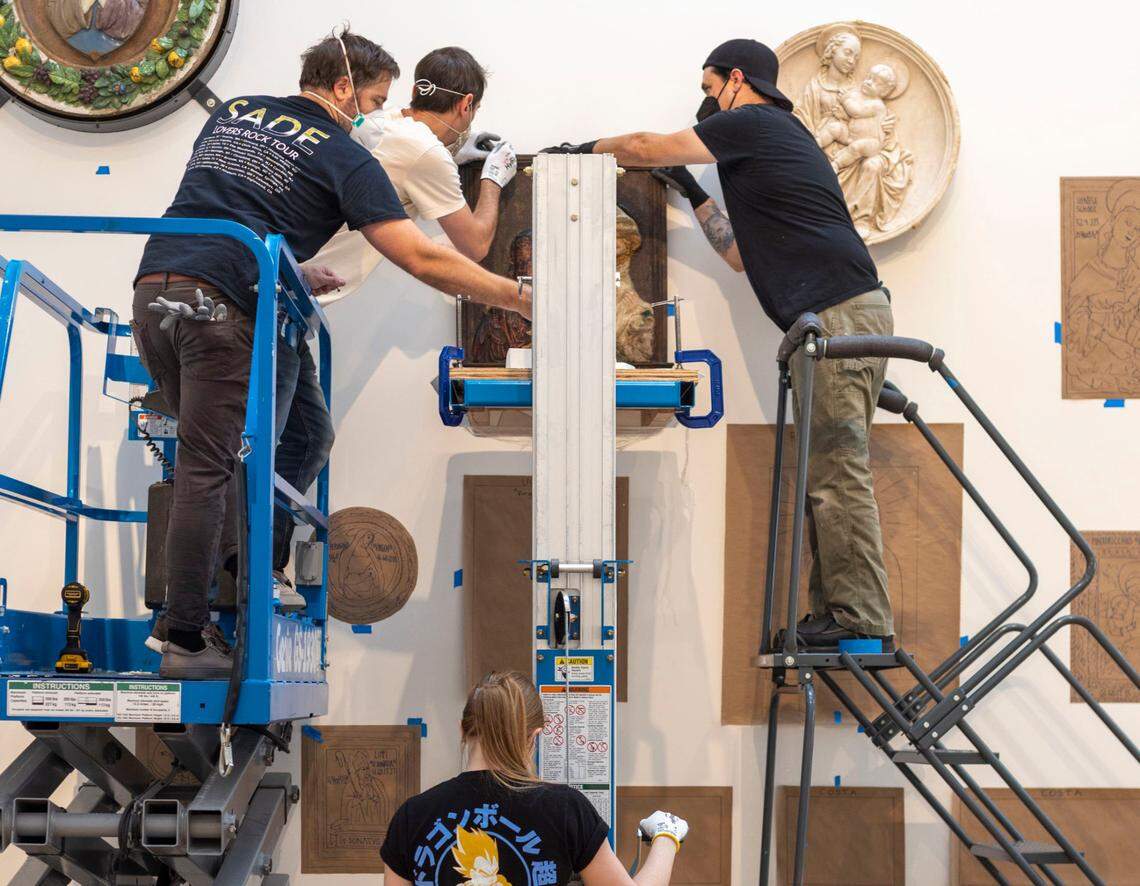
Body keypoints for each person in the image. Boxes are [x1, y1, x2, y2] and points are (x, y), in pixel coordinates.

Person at [133, 29, 531, 679]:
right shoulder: (348, 156)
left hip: (156, 290)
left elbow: (242, 201)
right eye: (373, 99)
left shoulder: (236, 111)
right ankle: (186, 634)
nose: (374, 115)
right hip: (223, 308)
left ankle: (208, 597)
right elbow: (427, 255)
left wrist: (293, 266)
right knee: (214, 466)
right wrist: (518, 299)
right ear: (344, 88)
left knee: (257, 450)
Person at [544, 38, 895, 649]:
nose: (709, 105)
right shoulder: (768, 152)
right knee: (826, 475)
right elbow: (737, 257)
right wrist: (694, 191)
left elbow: (645, 147)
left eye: (711, 91)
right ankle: (835, 617)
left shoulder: (759, 120)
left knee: (837, 475)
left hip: (840, 317)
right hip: (840, 317)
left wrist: (581, 153)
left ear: (737, 80)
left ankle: (861, 621)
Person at [380, 671, 688, 885]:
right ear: (533, 736)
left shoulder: (412, 816)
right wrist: (666, 836)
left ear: (463, 729)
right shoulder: (566, 809)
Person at [309, 45, 517, 302]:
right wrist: (493, 178)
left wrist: (450, 152)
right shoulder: (425, 151)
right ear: (467, 104)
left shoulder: (388, 120)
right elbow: (474, 246)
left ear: (415, 91)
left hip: (294, 269)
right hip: (302, 287)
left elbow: (404, 161)